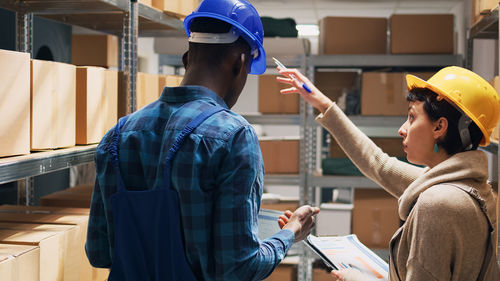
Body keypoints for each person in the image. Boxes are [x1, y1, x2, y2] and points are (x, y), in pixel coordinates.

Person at [85, 0, 319, 280]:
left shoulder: (119, 134)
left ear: (187, 59)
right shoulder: (233, 137)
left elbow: (99, 252)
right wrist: (290, 232)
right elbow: (239, 269)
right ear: (240, 62)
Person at [276, 66, 500, 281]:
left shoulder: (437, 202)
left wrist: (356, 278)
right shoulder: (472, 189)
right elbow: (379, 165)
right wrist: (323, 104)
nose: (402, 129)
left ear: (439, 127)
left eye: (412, 117)